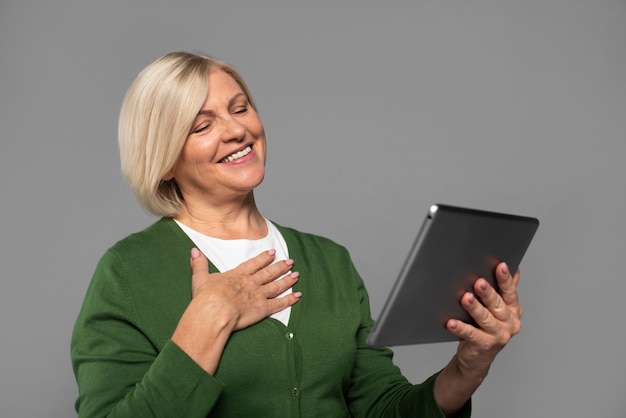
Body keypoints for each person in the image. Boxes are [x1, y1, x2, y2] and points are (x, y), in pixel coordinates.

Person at [71, 51, 523, 417]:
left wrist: (469, 365)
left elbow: (383, 409)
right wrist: (207, 319)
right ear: (164, 158)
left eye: (240, 107)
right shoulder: (128, 273)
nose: (236, 130)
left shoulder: (330, 262)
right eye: (202, 125)